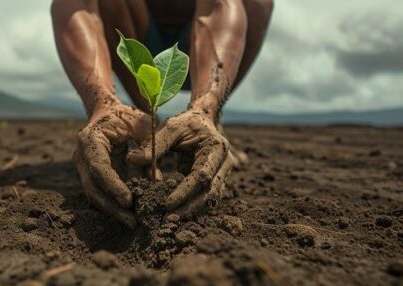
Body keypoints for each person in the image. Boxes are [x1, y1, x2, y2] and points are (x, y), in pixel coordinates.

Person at [51, 0, 273, 228]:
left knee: (258, 3)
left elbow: (219, 6)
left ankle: (209, 121)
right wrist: (101, 105)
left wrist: (205, 108)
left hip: (205, 44)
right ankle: (140, 121)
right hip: (134, 35)